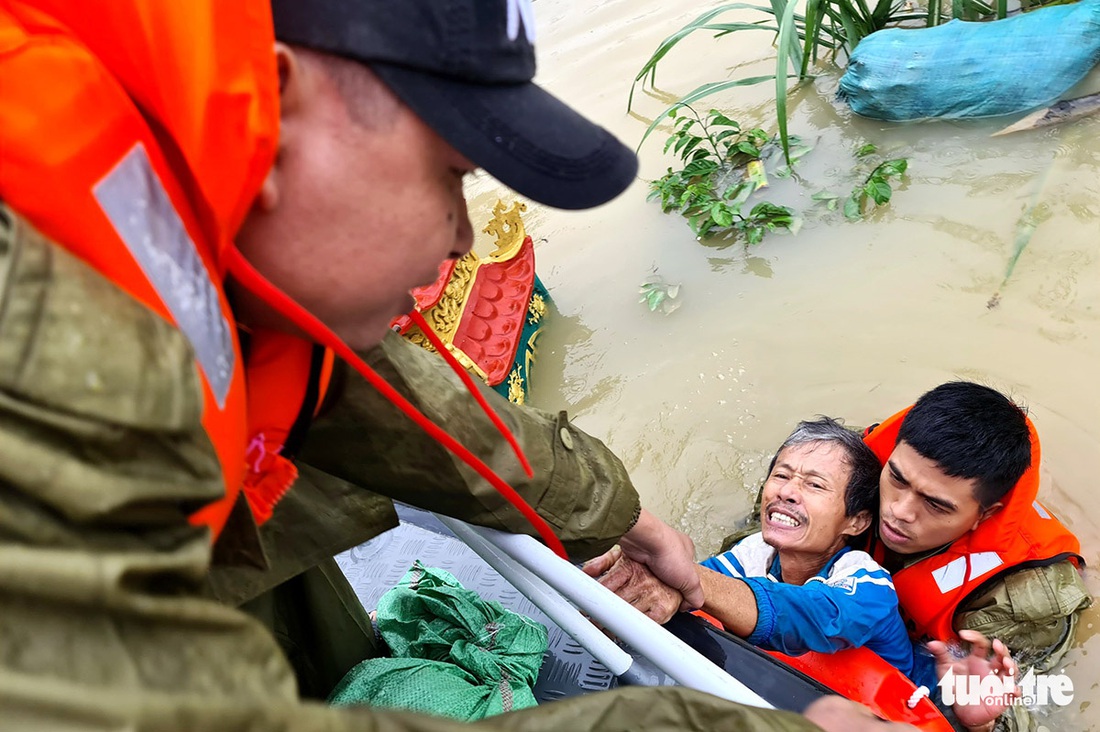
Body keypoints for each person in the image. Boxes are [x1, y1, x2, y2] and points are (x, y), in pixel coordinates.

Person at [0, 1, 918, 730]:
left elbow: (379, 398)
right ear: (279, 106)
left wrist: (622, 515)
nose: (464, 237)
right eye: (452, 175)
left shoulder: (202, 223)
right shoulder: (42, 324)